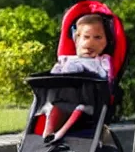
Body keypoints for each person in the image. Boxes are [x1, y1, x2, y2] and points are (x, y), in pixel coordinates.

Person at [42, 14, 112, 144]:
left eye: (97, 38)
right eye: (86, 37)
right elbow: (54, 75)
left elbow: (105, 78)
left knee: (79, 108)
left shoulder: (102, 61)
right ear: (76, 39)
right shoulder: (67, 59)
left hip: (88, 103)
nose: (90, 43)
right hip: (63, 100)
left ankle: (58, 134)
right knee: (54, 108)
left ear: (106, 41)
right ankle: (47, 133)